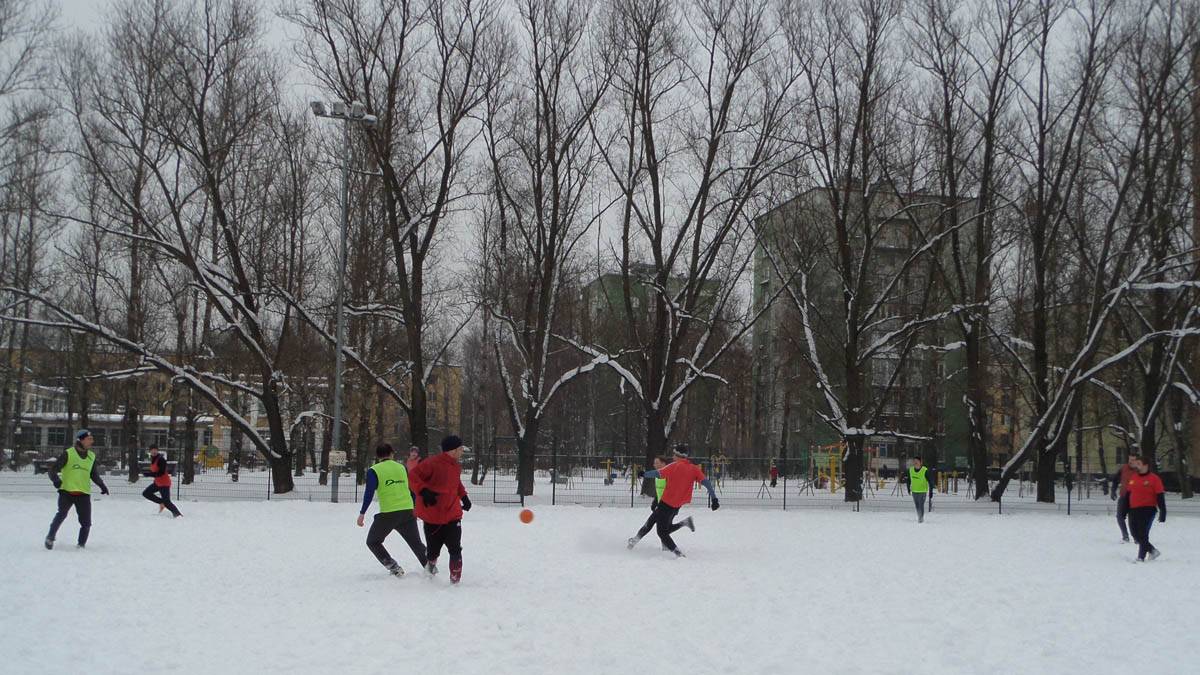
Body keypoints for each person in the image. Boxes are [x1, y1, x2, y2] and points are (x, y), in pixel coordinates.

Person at [632, 445, 718, 558]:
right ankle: (634, 541)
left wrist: (644, 474)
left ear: (678, 456)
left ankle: (678, 553)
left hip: (666, 503)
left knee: (662, 532)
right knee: (654, 522)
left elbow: (658, 473)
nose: (672, 457)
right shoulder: (694, 468)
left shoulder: (674, 466)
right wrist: (714, 499)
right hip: (676, 506)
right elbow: (707, 483)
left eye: (674, 454)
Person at [357, 443, 428, 577]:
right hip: (407, 510)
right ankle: (431, 567)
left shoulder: (374, 470)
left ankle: (394, 568)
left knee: (373, 541)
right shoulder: (402, 467)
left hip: (389, 513)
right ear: (392, 454)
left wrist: (362, 513)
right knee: (416, 543)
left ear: (377, 456)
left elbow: (369, 492)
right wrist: (415, 506)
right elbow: (411, 488)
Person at [410, 435, 471, 584]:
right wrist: (424, 491)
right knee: (432, 551)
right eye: (461, 448)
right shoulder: (431, 463)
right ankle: (429, 572)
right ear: (454, 449)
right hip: (433, 515)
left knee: (455, 549)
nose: (462, 451)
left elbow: (456, 484)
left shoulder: (456, 465)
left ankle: (455, 582)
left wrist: (463, 497)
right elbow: (412, 476)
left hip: (452, 514)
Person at [45, 430, 109, 550]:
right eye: (90, 439)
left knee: (86, 523)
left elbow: (93, 474)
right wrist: (56, 480)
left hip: (83, 494)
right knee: (61, 515)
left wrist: (102, 485)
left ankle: (81, 545)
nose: (92, 441)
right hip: (66, 492)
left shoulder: (91, 456)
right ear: (82, 440)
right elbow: (52, 469)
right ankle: (50, 537)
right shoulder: (68, 453)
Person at [1124, 455, 1166, 562]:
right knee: (1135, 534)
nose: (1136, 466)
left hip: (1148, 509)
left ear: (1146, 465)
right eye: (1136, 464)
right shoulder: (1133, 477)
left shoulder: (1154, 479)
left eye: (1139, 464)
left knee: (1143, 533)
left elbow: (1160, 496)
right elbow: (1128, 494)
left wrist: (1163, 511)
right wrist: (1124, 509)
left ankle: (1141, 557)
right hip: (1133, 510)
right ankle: (1152, 550)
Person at [627, 457, 671, 550]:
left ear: (663, 464)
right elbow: (660, 491)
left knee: (651, 525)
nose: (654, 465)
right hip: (661, 505)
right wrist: (655, 501)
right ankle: (665, 546)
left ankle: (634, 541)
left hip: (666, 506)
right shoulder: (658, 475)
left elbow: (670, 491)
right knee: (660, 527)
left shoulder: (668, 474)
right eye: (654, 463)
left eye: (656, 463)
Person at [141, 445, 182, 517]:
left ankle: (178, 515)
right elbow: (155, 471)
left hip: (164, 483)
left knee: (167, 502)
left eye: (155, 450)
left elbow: (161, 473)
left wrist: (148, 474)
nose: (154, 451)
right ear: (150, 451)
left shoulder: (161, 459)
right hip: (157, 483)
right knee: (146, 493)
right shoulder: (153, 459)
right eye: (152, 450)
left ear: (157, 450)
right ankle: (162, 502)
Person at [1110, 454, 1138, 543]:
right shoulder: (1123, 469)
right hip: (1124, 496)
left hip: (1136, 498)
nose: (1131, 462)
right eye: (1130, 460)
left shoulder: (1140, 470)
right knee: (1119, 516)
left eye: (1133, 460)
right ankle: (1125, 536)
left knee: (1133, 519)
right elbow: (1115, 480)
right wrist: (1113, 491)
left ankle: (1137, 537)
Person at [908, 457, 931, 523]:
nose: (915, 462)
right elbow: (908, 480)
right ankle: (919, 515)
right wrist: (908, 488)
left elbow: (930, 481)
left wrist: (931, 491)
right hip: (914, 491)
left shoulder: (925, 470)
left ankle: (921, 518)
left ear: (921, 462)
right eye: (914, 461)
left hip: (922, 491)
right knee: (917, 505)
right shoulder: (911, 470)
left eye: (917, 461)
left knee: (921, 505)